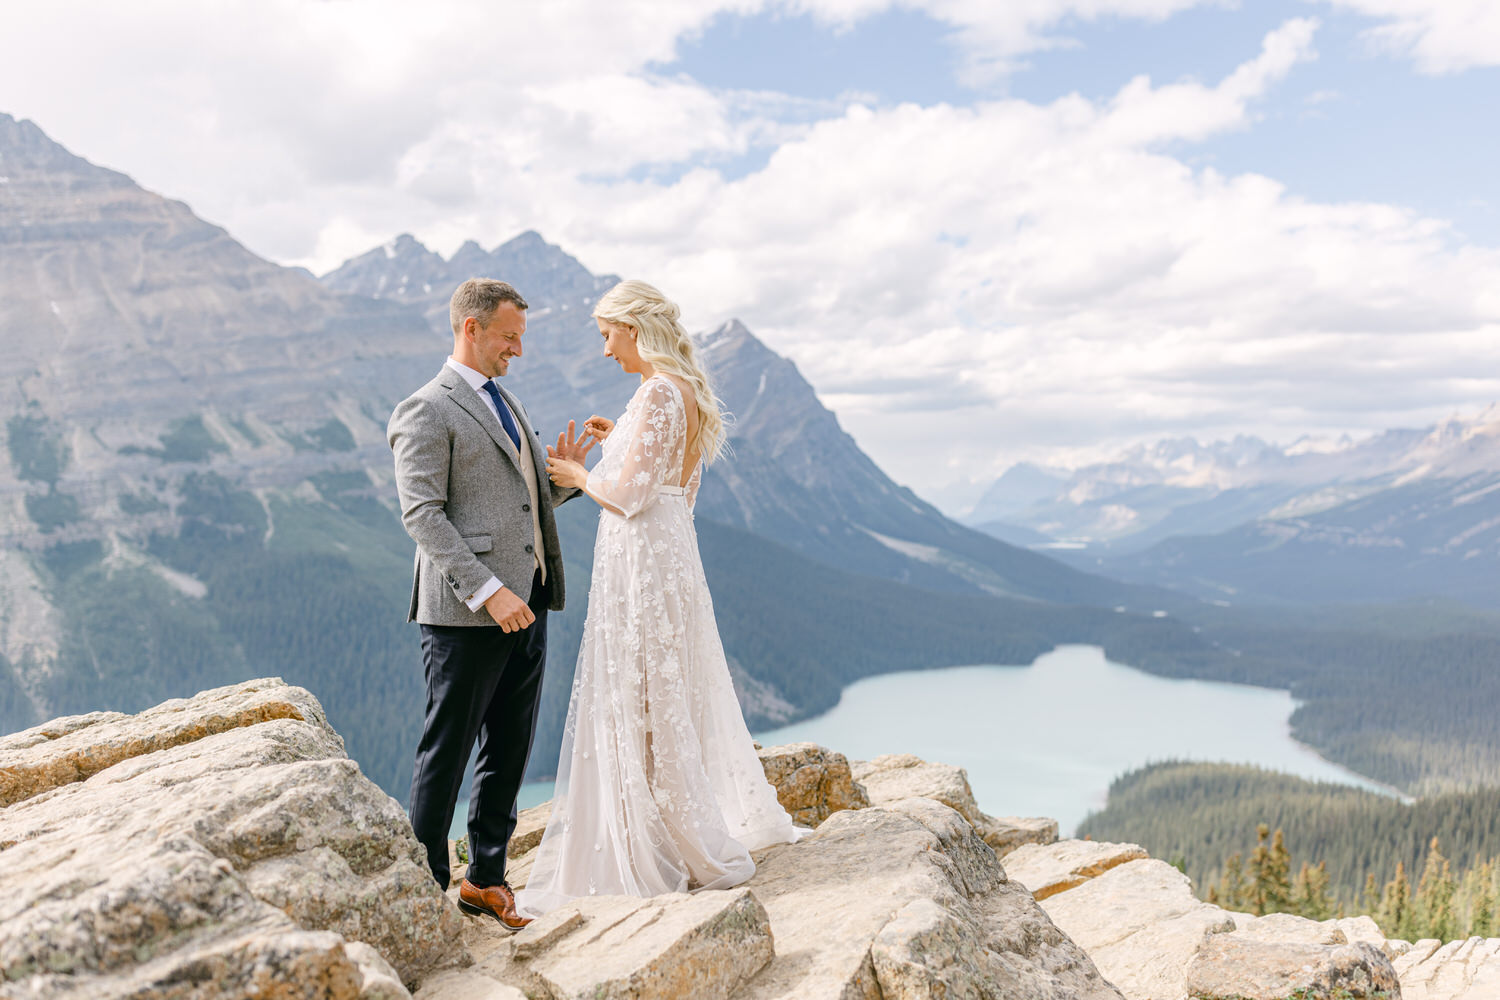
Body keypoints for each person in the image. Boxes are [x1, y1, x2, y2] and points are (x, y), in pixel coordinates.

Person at [517, 279, 800, 916]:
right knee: (660, 694)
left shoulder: (657, 393)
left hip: (640, 560)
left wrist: (579, 473)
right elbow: (677, 489)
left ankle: (663, 841)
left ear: (633, 327)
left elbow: (630, 497)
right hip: (669, 555)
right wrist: (620, 434)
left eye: (607, 334)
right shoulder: (682, 394)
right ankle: (671, 828)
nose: (605, 348)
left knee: (641, 695)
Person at [388, 278, 593, 931]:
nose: (519, 350)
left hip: (526, 602)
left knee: (509, 745)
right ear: (472, 328)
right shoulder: (426, 408)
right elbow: (423, 515)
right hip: (465, 613)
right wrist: (487, 590)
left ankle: (487, 880)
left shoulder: (504, 400)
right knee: (447, 751)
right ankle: (424, 891)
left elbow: (517, 509)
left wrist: (561, 480)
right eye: (510, 337)